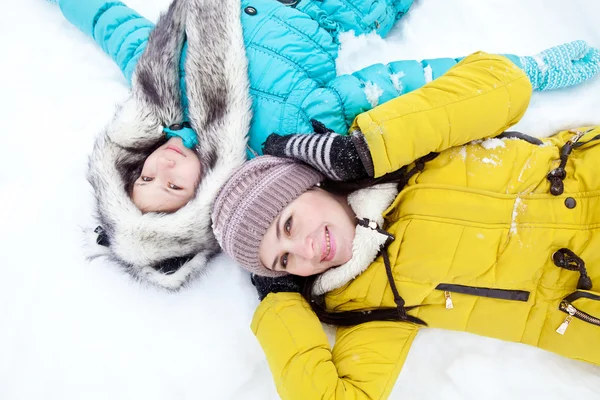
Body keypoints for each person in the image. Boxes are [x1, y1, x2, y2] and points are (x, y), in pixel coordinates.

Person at [48, 0, 600, 289]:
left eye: (145, 177)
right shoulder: (282, 148)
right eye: (174, 188)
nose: (164, 167)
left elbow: (108, 21)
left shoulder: (160, 86)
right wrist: (528, 72)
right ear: (200, 200)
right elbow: (407, 83)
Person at [211, 52, 600, 399]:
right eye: (282, 262)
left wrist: (366, 152)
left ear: (312, 183)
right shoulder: (367, 301)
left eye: (289, 225)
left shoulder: (408, 153)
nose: (305, 251)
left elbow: (506, 80)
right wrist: (279, 300)